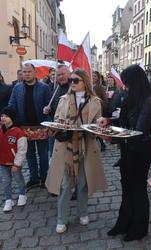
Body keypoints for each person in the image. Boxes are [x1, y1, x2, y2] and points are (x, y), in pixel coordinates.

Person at [97, 64, 151, 241]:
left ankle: (139, 227)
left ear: (135, 82)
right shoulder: (132, 96)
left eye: (127, 83)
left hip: (140, 151)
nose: (125, 87)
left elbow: (137, 132)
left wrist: (111, 135)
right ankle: (124, 222)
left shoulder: (149, 102)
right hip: (128, 149)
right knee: (126, 187)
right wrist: (107, 121)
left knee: (137, 189)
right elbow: (124, 118)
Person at [45, 69, 107, 234]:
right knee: (65, 185)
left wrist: (100, 122)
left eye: (76, 80)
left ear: (84, 82)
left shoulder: (95, 101)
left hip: (86, 145)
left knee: (83, 183)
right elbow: (57, 119)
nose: (72, 82)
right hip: (66, 146)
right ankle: (61, 219)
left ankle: (83, 212)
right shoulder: (63, 99)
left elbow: (96, 122)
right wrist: (59, 130)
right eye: (71, 80)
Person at [9, 63, 51, 189]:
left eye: (29, 71)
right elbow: (12, 104)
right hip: (24, 128)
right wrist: (8, 115)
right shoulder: (17, 88)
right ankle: (34, 178)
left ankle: (44, 178)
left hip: (41, 126)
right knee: (30, 155)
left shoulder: (44, 87)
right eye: (24, 72)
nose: (26, 74)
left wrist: (48, 109)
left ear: (35, 72)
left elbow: (50, 105)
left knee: (43, 155)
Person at [0, 106, 27, 212]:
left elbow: (22, 150)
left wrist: (17, 164)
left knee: (19, 179)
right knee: (6, 181)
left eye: (6, 116)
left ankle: (22, 194)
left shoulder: (19, 133)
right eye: (2, 116)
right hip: (2, 161)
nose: (3, 118)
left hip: (14, 162)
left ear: (13, 118)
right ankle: (8, 199)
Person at [44, 65, 71, 157]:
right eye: (58, 75)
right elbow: (55, 106)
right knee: (54, 157)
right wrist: (48, 109)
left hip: (68, 130)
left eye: (63, 74)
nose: (60, 77)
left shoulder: (74, 88)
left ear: (69, 74)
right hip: (55, 128)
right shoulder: (57, 87)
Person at [92, 71, 107, 151]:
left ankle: (102, 144)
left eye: (94, 76)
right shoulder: (89, 86)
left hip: (98, 110)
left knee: (97, 126)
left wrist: (97, 100)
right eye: (92, 76)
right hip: (91, 109)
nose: (93, 77)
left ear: (97, 77)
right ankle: (100, 144)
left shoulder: (100, 87)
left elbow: (105, 100)